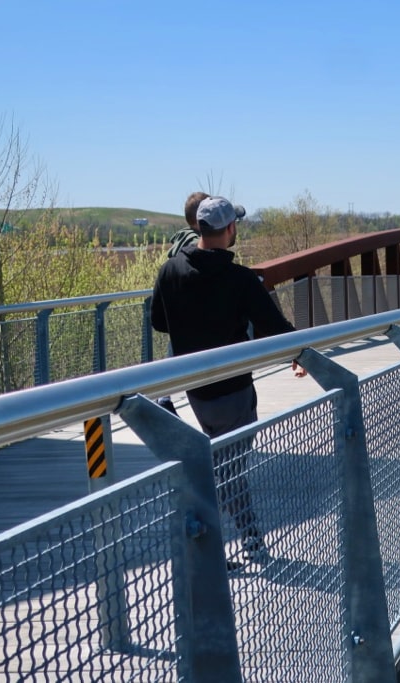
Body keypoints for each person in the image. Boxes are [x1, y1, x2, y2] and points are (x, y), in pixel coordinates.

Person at [151, 195, 301, 566]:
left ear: (198, 228)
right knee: (230, 474)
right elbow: (273, 327)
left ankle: (230, 546)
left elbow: (158, 322)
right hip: (234, 390)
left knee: (222, 471)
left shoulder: (170, 271)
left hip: (197, 392)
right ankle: (232, 547)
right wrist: (303, 352)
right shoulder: (239, 278)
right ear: (230, 229)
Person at [156, 191, 210, 416]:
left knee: (175, 349)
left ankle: (164, 396)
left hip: (178, 308)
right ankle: (164, 396)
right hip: (194, 311)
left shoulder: (180, 239)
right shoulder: (194, 241)